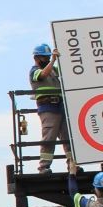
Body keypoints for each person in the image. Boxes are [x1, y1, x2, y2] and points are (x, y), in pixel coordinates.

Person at [29, 43, 69, 174]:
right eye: (44, 57)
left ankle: (72, 164)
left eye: (47, 57)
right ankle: (44, 166)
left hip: (60, 106)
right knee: (49, 138)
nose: (46, 59)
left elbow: (65, 70)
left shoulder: (53, 69)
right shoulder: (34, 71)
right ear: (37, 58)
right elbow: (43, 75)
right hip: (47, 108)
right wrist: (52, 60)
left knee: (67, 137)